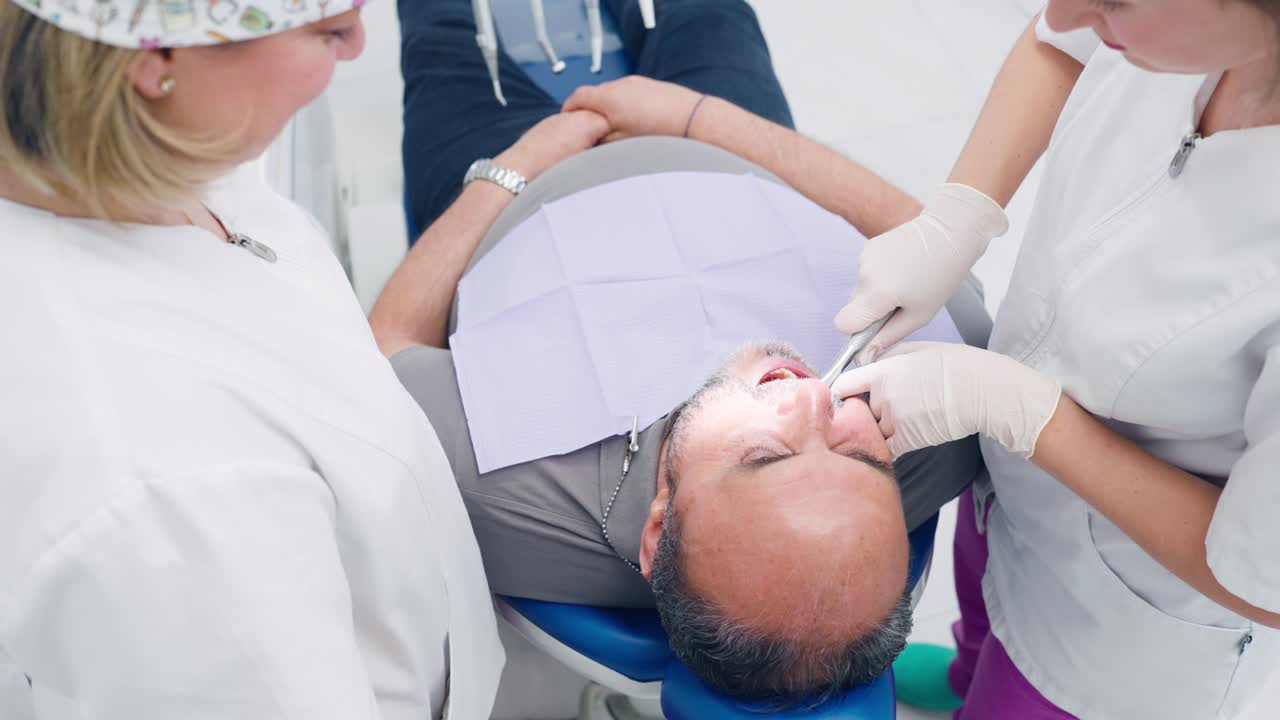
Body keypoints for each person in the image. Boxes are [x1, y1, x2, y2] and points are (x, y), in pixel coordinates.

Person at [370, 0, 991, 702]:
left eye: (768, 455)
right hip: (731, 151)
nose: (816, 396)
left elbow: (385, 347)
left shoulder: (497, 494)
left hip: (520, 182)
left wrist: (523, 163)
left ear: (660, 523)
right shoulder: (939, 419)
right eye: (861, 457)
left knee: (442, 33)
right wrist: (697, 117)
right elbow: (935, 247)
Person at [0, 2, 507, 718]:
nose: (359, 44)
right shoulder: (168, 493)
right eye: (328, 32)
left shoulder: (176, 157)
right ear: (156, 59)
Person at [814, 1, 1277, 718]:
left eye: (1116, 0)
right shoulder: (1149, 24)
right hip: (1008, 485)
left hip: (1118, 622)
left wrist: (1020, 410)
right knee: (984, 603)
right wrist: (958, 216)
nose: (1067, 7)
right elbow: (1055, 42)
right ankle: (969, 669)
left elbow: (1260, 582)